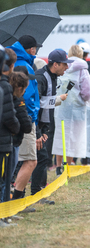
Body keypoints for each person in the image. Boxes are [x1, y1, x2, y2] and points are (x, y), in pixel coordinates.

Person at [32, 49, 72, 203]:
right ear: (55, 64)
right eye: (64, 65)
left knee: (43, 158)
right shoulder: (41, 77)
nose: (67, 68)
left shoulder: (53, 76)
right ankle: (36, 194)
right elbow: (38, 102)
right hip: (37, 125)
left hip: (45, 124)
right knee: (40, 158)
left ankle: (39, 192)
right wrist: (58, 99)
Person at [7, 35, 41, 204]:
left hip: (18, 118)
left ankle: (13, 198)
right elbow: (25, 96)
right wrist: (30, 118)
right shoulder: (25, 66)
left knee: (19, 161)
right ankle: (17, 201)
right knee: (30, 161)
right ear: (32, 49)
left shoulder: (13, 63)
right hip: (25, 118)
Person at [52, 45, 90, 174]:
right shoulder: (83, 70)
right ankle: (67, 167)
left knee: (60, 136)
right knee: (73, 138)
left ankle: (58, 166)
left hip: (61, 106)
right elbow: (86, 92)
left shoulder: (62, 67)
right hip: (77, 109)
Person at [0, 45, 20, 205]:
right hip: (4, 139)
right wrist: (16, 129)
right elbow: (7, 115)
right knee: (4, 179)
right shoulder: (5, 86)